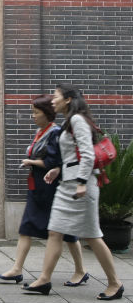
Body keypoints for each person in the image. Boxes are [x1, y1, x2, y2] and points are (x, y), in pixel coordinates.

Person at [22, 84, 124, 300]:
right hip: (67, 184)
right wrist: (57, 170)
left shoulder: (77, 120)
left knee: (92, 236)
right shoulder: (69, 122)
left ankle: (115, 283)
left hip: (80, 186)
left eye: (56, 96)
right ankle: (44, 280)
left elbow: (87, 154)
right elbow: (73, 156)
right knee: (54, 232)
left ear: (68, 99)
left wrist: (81, 182)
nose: (52, 100)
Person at [0, 95, 87, 285]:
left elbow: (53, 162)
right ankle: (17, 269)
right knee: (26, 227)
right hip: (37, 186)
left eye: (36, 112)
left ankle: (80, 270)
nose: (33, 116)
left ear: (47, 113)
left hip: (50, 187)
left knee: (66, 232)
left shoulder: (54, 133)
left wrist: (31, 162)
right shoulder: (41, 131)